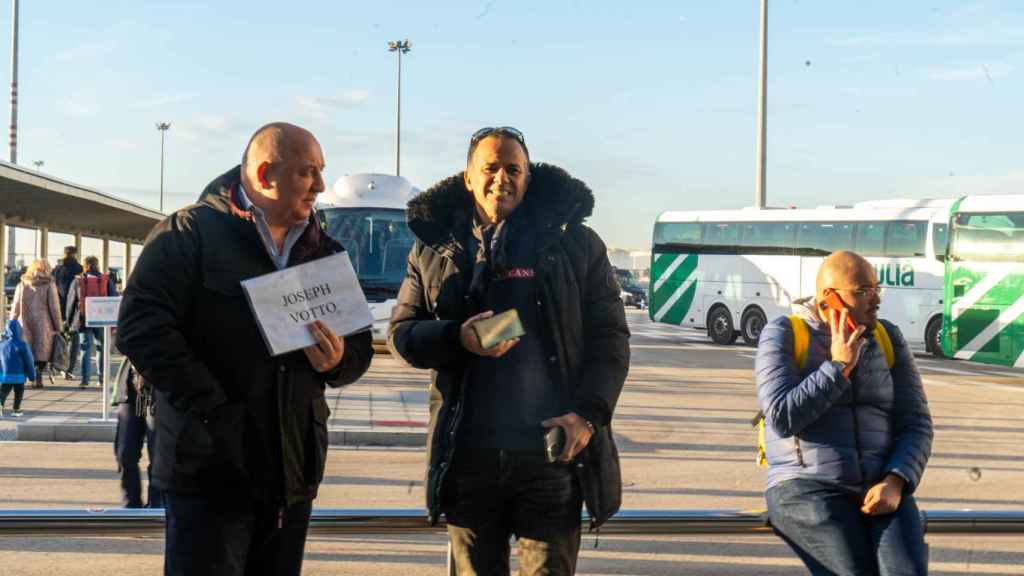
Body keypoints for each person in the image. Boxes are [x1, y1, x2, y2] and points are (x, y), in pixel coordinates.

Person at [116, 122, 374, 576]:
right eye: (307, 172)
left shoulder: (324, 251)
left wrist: (338, 361)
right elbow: (140, 329)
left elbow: (359, 349)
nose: (319, 185)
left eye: (321, 172)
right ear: (265, 174)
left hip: (290, 475)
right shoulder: (187, 234)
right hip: (208, 472)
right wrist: (215, 406)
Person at [389, 126, 629, 575]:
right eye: (491, 167)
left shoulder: (576, 243)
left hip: (551, 456)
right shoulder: (432, 249)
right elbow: (402, 333)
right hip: (468, 458)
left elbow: (612, 341)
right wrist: (455, 337)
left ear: (528, 177)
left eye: (513, 168)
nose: (502, 178)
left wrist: (587, 416)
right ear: (467, 177)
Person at [755, 250, 933, 575]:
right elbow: (781, 417)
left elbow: (916, 423)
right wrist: (837, 367)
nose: (875, 299)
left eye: (877, 289)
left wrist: (896, 480)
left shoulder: (887, 336)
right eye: (863, 291)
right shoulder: (782, 333)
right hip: (806, 487)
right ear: (829, 297)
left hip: (881, 486)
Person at [112, 359, 163, 508]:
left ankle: (156, 505)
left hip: (159, 388)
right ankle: (131, 505)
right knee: (125, 453)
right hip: (132, 387)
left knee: (158, 456)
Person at [65, 256, 117, 388]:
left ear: (85, 265)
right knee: (101, 348)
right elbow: (114, 299)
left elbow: (71, 302)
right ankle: (101, 379)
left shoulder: (78, 280)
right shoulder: (106, 279)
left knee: (85, 349)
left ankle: (85, 380)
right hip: (102, 319)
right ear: (97, 265)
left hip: (84, 319)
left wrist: (69, 321)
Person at [11, 259, 62, 389]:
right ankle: (38, 376)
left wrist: (12, 322)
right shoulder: (49, 284)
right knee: (41, 351)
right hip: (44, 324)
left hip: (25, 323)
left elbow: (15, 306)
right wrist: (58, 326)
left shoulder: (22, 284)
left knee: (27, 350)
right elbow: (54, 308)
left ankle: (26, 376)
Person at [53, 246, 83, 379]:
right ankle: (68, 370)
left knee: (60, 339)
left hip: (58, 308)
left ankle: (58, 366)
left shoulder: (56, 269)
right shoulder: (78, 268)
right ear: (75, 254)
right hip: (73, 309)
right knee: (74, 340)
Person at [0, 319, 34, 418]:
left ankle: (0, 404)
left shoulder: (2, 345)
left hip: (5, 375)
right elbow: (29, 361)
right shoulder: (23, 345)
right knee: (19, 392)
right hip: (19, 376)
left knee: (3, 391)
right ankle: (16, 409)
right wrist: (32, 376)